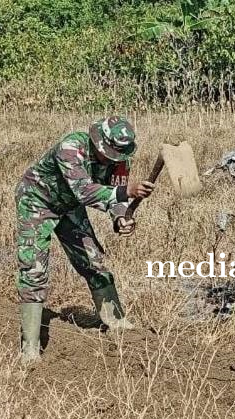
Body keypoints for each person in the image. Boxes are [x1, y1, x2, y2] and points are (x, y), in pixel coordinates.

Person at [14, 116, 154, 362]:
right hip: (37, 201)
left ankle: (117, 323)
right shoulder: (71, 147)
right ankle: (30, 351)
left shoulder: (120, 160)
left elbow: (116, 198)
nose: (112, 159)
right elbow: (85, 191)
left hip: (70, 206)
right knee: (34, 270)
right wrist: (127, 191)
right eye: (108, 153)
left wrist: (121, 217)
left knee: (94, 261)